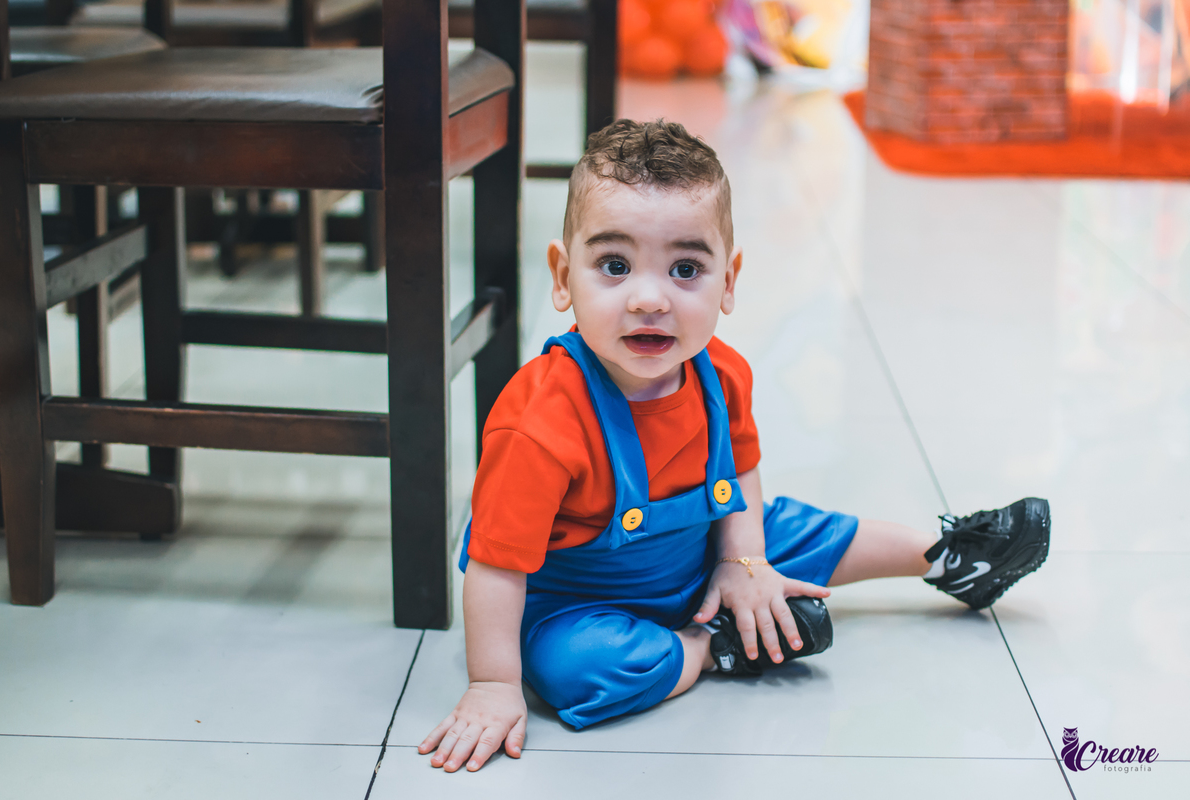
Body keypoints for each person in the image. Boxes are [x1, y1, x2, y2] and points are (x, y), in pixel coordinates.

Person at [417, 119, 1051, 773]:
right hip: (581, 602)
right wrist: (493, 684)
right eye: (614, 265)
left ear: (729, 281)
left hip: (708, 549)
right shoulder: (540, 423)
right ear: (561, 276)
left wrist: (744, 562)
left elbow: (742, 473)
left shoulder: (723, 375)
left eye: (686, 268)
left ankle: (951, 556)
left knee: (798, 530)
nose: (648, 298)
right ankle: (712, 646)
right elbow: (496, 567)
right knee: (577, 670)